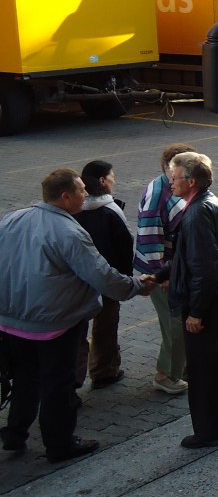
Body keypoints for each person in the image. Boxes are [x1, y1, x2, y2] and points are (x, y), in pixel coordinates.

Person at [0, 169, 153, 463]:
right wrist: (136, 286)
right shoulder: (70, 232)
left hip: (11, 325)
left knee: (24, 379)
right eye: (82, 190)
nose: (87, 193)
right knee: (57, 385)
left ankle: (15, 432)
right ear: (66, 196)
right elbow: (102, 276)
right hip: (54, 326)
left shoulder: (12, 219)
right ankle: (60, 444)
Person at [154, 152, 218, 448]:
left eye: (175, 178)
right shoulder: (210, 203)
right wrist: (160, 275)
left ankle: (209, 431)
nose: (170, 183)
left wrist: (196, 311)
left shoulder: (195, 214)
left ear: (191, 181)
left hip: (207, 299)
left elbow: (203, 267)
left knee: (202, 368)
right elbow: (189, 257)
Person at [134, 142, 194, 395]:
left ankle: (182, 368)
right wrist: (162, 276)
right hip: (163, 272)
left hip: (175, 268)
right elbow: (149, 237)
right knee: (174, 323)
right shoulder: (158, 193)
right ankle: (166, 373)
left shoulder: (172, 188)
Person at [73, 160, 134, 390]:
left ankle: (72, 381)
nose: (114, 180)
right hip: (107, 279)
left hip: (76, 281)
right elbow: (124, 245)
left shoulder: (74, 208)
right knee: (105, 326)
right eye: (112, 176)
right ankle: (104, 371)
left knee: (76, 329)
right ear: (102, 180)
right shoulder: (110, 210)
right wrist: (125, 280)